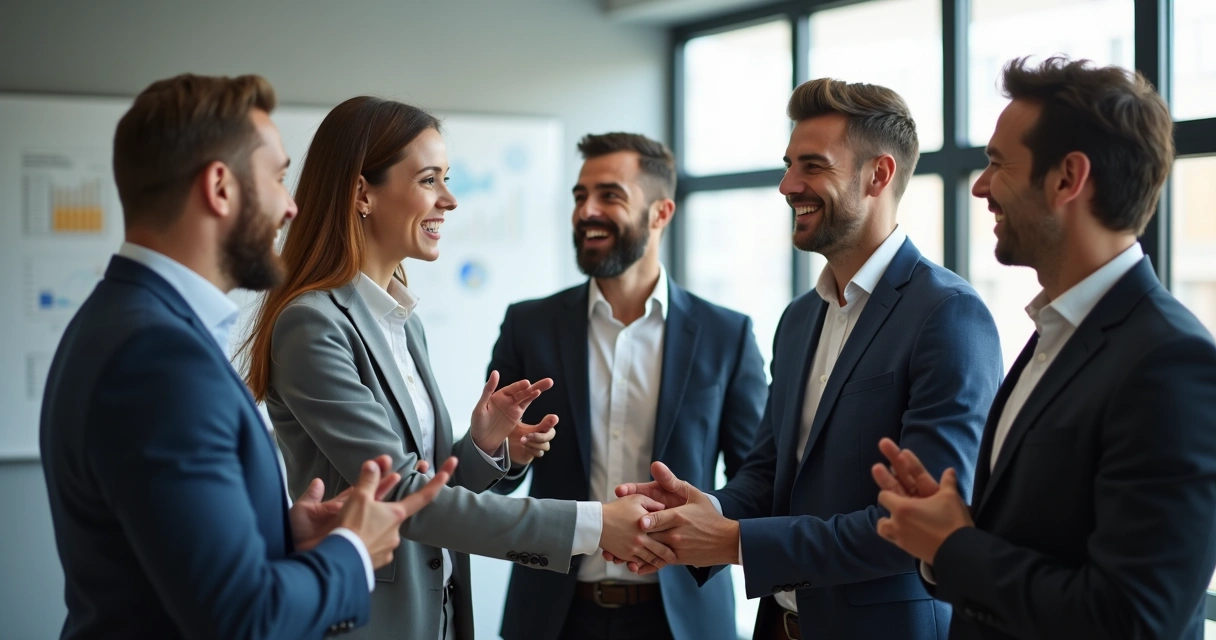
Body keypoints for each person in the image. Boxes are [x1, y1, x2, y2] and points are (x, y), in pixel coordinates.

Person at [241, 97, 676, 640]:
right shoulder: (313, 325)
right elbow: (402, 498)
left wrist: (484, 447)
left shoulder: (401, 320)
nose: (449, 200)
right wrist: (592, 525)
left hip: (439, 615)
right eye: (429, 180)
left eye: (446, 179)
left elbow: (424, 480)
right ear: (361, 193)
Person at [39, 73, 452, 640]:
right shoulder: (158, 358)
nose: (291, 207)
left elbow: (176, 557)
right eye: (278, 179)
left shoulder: (128, 317)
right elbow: (240, 618)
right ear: (220, 187)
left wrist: (282, 538)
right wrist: (352, 552)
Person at [612, 78, 1003, 639]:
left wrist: (733, 542)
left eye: (812, 166)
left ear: (879, 175)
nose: (787, 185)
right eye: (789, 164)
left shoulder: (948, 315)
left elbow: (921, 524)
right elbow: (770, 475)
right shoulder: (799, 318)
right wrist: (698, 515)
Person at [873, 56, 1216, 640]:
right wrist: (948, 532)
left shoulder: (1171, 363)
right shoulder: (1052, 334)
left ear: (1067, 179)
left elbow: (1130, 620)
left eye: (997, 164)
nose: (979, 186)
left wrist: (955, 547)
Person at [486, 132, 767, 640]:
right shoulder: (529, 325)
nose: (586, 211)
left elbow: (757, 475)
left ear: (660, 213)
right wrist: (506, 454)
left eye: (609, 195)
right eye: (579, 196)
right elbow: (493, 477)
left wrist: (704, 520)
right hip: (553, 614)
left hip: (682, 617)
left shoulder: (728, 334)